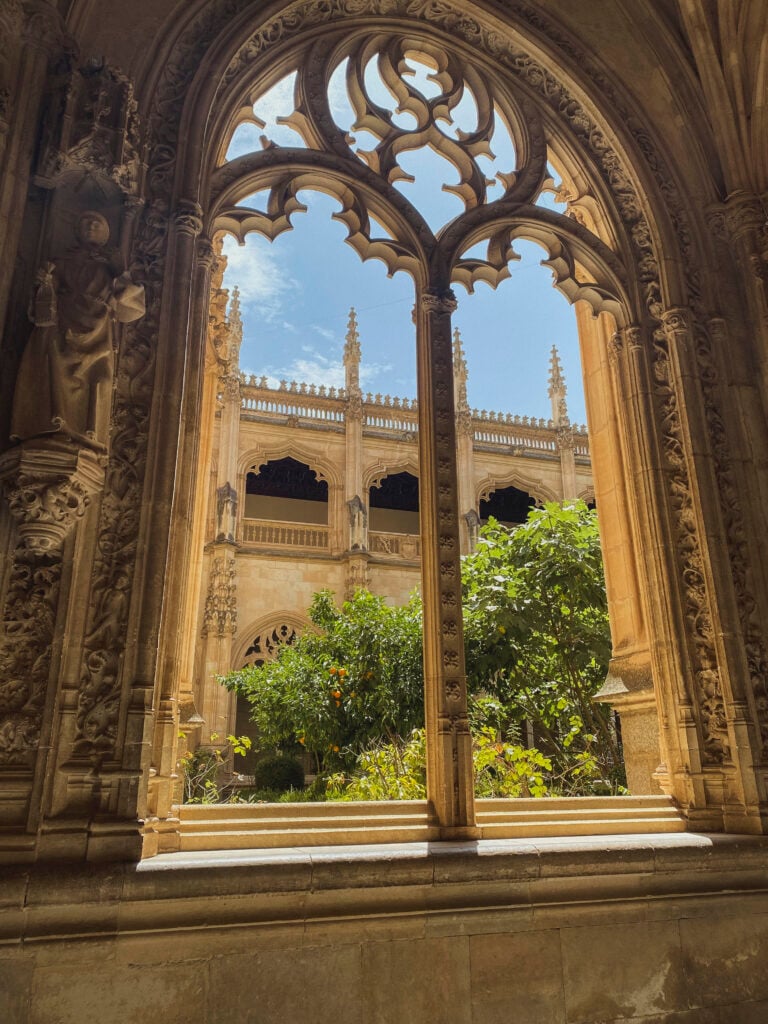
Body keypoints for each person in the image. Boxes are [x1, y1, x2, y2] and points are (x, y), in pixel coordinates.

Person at [10, 211, 145, 448]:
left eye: (97, 223)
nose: (91, 226)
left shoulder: (110, 268)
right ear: (76, 231)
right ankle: (54, 427)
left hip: (99, 330)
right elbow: (43, 299)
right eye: (86, 223)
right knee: (56, 372)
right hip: (64, 325)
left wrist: (120, 272)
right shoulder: (61, 262)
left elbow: (131, 308)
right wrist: (45, 283)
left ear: (106, 234)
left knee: (101, 379)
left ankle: (91, 436)